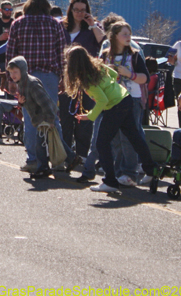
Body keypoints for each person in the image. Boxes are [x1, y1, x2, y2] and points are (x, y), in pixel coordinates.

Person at [64, 45, 157, 193]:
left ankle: (110, 182)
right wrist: (110, 86)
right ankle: (152, 170)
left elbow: (102, 101)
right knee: (134, 137)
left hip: (115, 106)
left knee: (102, 143)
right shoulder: (98, 66)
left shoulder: (87, 79)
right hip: (125, 99)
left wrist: (90, 116)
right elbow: (114, 75)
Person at [6, 0, 78, 174]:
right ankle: (59, 159)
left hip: (25, 77)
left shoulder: (18, 24)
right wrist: (63, 78)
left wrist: (10, 79)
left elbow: (11, 53)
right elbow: (62, 53)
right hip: (49, 76)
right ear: (46, 5)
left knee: (30, 119)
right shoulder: (55, 25)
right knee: (52, 118)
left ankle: (34, 160)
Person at [59, 0, 105, 158]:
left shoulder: (92, 28)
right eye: (76, 10)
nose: (79, 13)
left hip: (87, 80)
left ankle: (82, 155)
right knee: (65, 117)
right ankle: (65, 154)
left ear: (87, 12)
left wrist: (92, 25)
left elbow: (104, 43)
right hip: (64, 78)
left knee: (85, 118)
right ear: (70, 10)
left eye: (83, 10)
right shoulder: (61, 26)